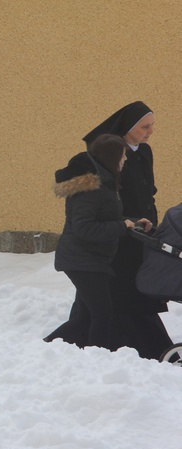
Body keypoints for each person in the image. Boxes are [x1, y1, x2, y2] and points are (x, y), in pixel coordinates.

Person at [82, 101, 173, 360]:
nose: (150, 131)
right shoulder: (109, 155)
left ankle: (83, 341)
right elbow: (105, 198)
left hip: (142, 231)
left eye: (152, 125)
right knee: (122, 292)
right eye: (145, 126)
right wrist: (125, 222)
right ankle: (150, 347)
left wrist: (153, 223)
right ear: (126, 128)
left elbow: (149, 192)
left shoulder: (144, 152)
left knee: (106, 299)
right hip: (121, 231)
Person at [45, 134, 152, 350]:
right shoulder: (92, 187)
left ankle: (47, 349)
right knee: (103, 315)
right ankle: (97, 359)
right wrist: (122, 227)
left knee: (84, 318)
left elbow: (103, 217)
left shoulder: (105, 182)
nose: (125, 160)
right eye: (123, 156)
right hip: (81, 260)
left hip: (90, 259)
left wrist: (131, 221)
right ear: (113, 158)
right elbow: (84, 227)